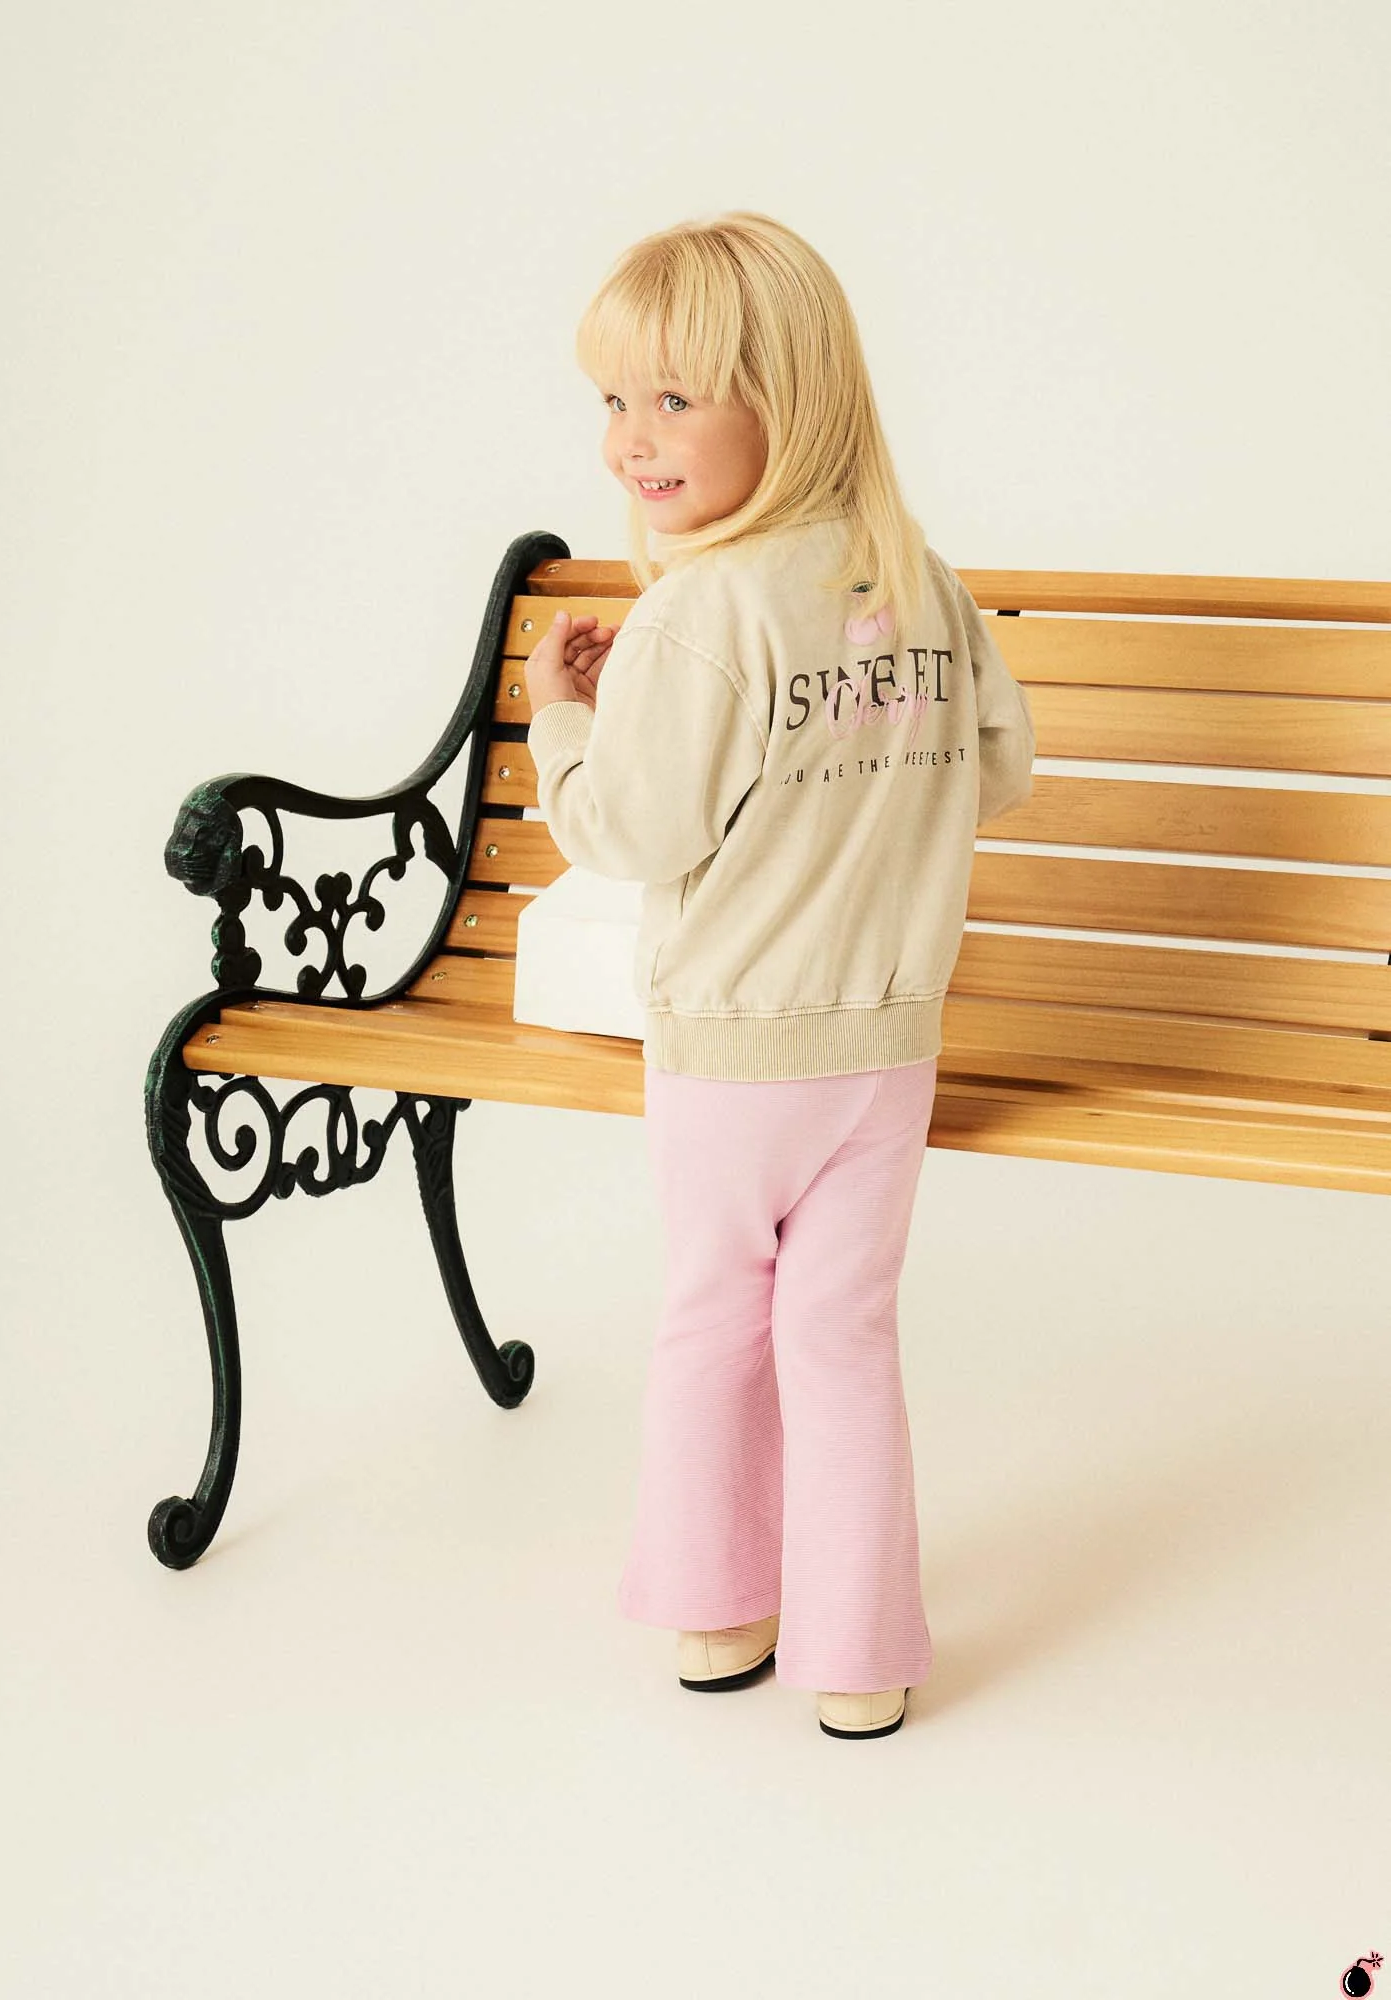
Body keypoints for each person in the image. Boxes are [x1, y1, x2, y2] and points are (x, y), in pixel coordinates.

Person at [522, 211, 1037, 1740]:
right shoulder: (916, 580)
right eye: (614, 400)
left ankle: (721, 1613)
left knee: (712, 1323)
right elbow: (1001, 771)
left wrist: (565, 719)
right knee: (840, 1338)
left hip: (736, 1054)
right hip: (886, 1053)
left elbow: (626, 829)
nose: (631, 439)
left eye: (674, 398)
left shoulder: (702, 611)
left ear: (787, 400)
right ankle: (862, 1660)